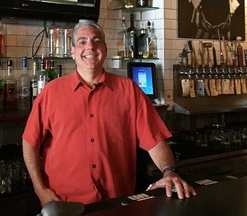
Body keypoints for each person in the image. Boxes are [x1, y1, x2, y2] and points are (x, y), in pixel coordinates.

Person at [22, 19, 197, 206]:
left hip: (117, 203)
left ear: (104, 49)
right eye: (82, 41)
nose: (90, 46)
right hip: (63, 204)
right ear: (72, 51)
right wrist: (40, 190)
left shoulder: (130, 90)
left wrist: (169, 171)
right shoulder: (51, 92)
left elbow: (154, 140)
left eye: (97, 40)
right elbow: (30, 142)